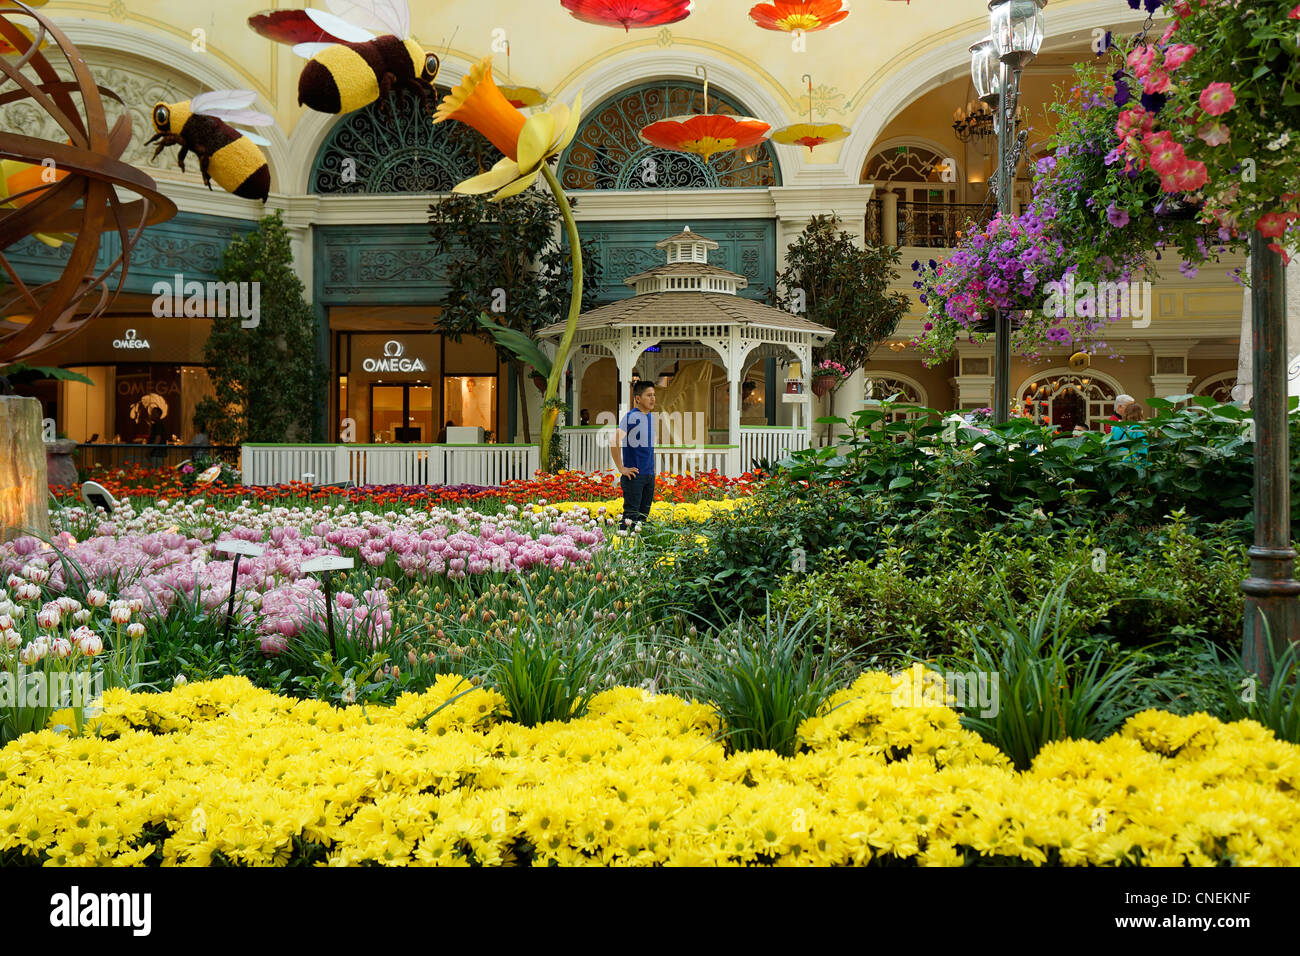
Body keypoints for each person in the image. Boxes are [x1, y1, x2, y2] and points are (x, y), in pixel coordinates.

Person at [612, 381, 656, 531]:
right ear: (638, 398)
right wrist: (621, 468)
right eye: (649, 395)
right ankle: (623, 550)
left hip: (649, 475)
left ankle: (639, 552)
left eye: (654, 395)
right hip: (634, 477)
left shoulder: (650, 417)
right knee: (630, 519)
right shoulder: (631, 417)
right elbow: (614, 441)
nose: (653, 399)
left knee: (642, 521)